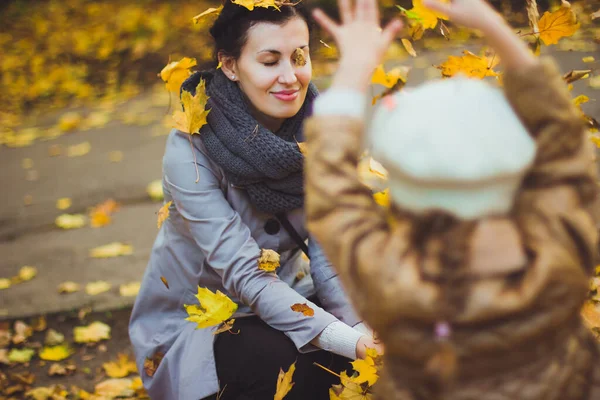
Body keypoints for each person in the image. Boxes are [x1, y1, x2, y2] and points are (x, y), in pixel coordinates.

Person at [305, 0, 600, 398]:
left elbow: (331, 190)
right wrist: (494, 27)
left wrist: (354, 68)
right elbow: (564, 145)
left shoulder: (390, 274)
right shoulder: (561, 246)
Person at [128, 1, 381, 399]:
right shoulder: (190, 150)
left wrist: (363, 332)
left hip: (293, 297)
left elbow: (329, 252)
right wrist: (349, 342)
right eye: (269, 61)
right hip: (201, 326)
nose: (289, 77)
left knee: (386, 351)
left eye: (299, 56)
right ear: (230, 66)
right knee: (300, 373)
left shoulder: (319, 133)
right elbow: (245, 274)